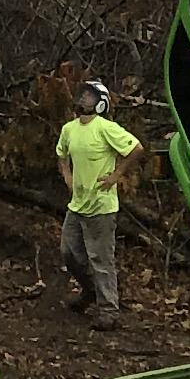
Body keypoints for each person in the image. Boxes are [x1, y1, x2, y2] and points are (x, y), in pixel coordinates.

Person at [55, 79, 142, 329]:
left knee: (101, 258)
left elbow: (136, 148)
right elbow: (61, 154)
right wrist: (67, 175)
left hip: (101, 205)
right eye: (83, 93)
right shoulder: (69, 129)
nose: (84, 98)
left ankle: (109, 311)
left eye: (91, 96)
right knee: (68, 252)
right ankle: (90, 291)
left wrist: (117, 174)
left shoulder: (106, 128)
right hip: (77, 203)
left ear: (101, 103)